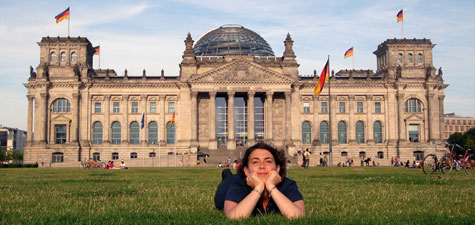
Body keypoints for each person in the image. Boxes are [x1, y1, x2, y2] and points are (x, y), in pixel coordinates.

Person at [214, 143, 305, 219]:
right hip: (228, 184)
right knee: (228, 179)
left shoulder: (287, 184)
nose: (262, 166)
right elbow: (234, 217)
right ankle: (226, 174)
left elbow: (298, 217)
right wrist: (258, 188)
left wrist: (271, 187)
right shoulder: (238, 184)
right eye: (255, 162)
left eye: (268, 161)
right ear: (246, 170)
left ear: (277, 168)